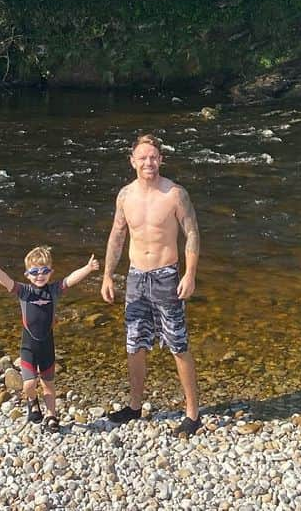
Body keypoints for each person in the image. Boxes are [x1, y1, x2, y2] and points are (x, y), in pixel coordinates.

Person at [101, 133, 202, 436]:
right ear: (132, 161)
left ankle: (193, 414)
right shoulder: (125, 196)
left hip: (166, 277)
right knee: (135, 345)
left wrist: (190, 274)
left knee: (178, 345)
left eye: (154, 157)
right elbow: (117, 235)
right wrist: (107, 275)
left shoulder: (174, 194)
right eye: (143, 157)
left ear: (161, 160)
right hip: (135, 278)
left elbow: (193, 233)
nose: (149, 162)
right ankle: (134, 407)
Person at [0, 246, 98, 431]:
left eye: (44, 271)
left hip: (47, 346)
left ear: (50, 272)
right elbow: (8, 283)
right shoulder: (25, 291)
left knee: (49, 385)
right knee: (29, 384)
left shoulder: (53, 290)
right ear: (28, 274)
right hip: (28, 347)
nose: (40, 275)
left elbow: (70, 280)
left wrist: (87, 268)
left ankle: (51, 415)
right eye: (35, 272)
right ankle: (32, 401)